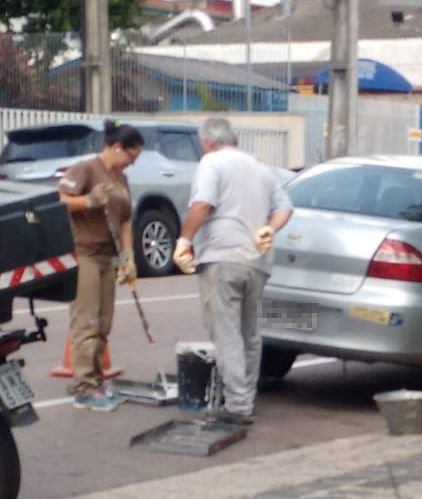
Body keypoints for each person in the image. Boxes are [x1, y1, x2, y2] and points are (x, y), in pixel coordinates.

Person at [173, 117, 293, 426]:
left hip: (222, 255)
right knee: (250, 332)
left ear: (207, 142)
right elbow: (285, 209)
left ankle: (238, 405)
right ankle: (246, 397)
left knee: (225, 331)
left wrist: (184, 240)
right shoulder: (260, 167)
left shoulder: (212, 162)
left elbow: (201, 204)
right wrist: (269, 228)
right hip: (257, 260)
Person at [58, 120, 144, 412]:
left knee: (104, 322)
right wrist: (88, 200)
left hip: (109, 256)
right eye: (130, 158)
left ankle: (95, 380)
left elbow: (125, 220)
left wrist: (128, 256)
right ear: (117, 147)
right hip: (84, 253)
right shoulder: (86, 169)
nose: (130, 165)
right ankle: (82, 387)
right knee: (86, 320)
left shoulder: (121, 179)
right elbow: (60, 200)